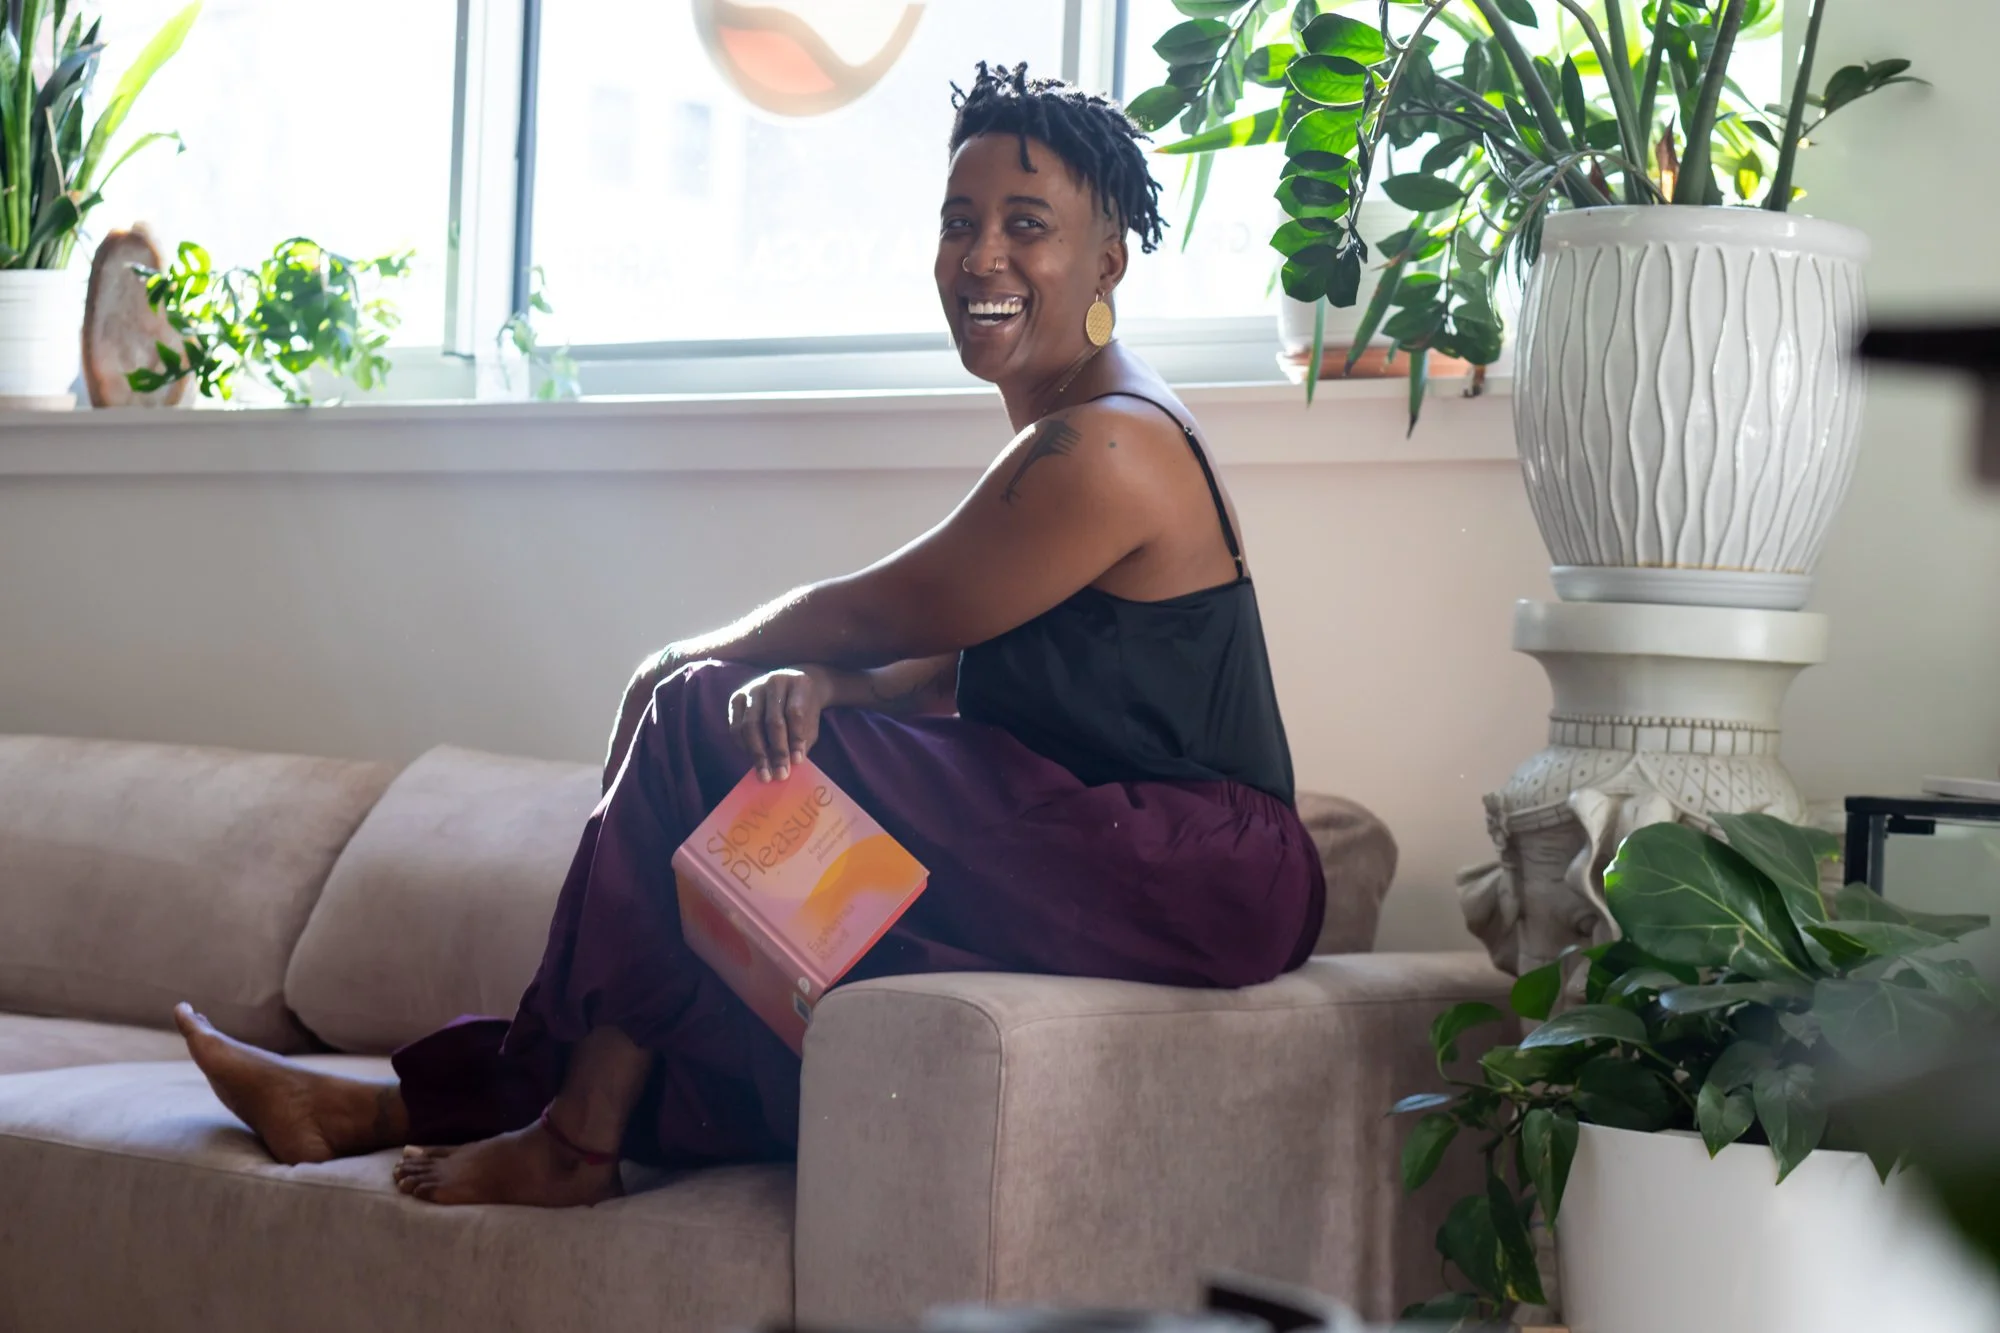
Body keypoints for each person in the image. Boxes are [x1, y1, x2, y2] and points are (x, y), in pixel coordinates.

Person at [172, 62, 1327, 1209]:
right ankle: (382, 1108)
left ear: (1105, 262)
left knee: (701, 719)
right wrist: (822, 684)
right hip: (1111, 837)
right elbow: (945, 666)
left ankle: (575, 1141)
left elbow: (891, 608)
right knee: (726, 932)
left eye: (1026, 226)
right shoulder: (1073, 431)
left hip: (1192, 864)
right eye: (958, 222)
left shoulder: (1105, 447)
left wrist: (692, 661)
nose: (981, 256)